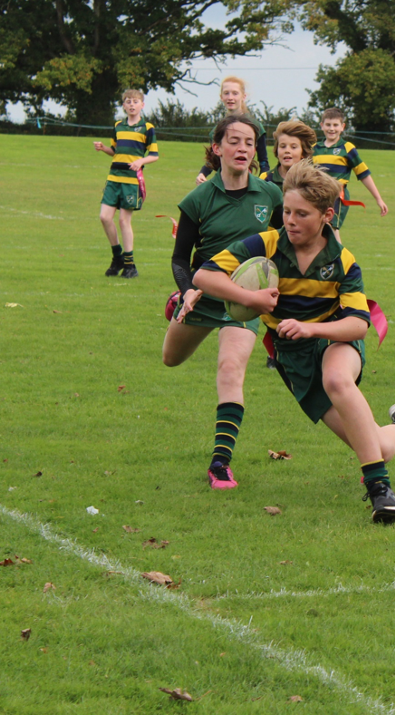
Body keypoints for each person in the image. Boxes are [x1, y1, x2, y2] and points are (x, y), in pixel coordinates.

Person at [193, 162, 395, 523]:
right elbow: (204, 274)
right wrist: (253, 300)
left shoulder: (341, 261)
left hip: (335, 338)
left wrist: (312, 329)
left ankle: (379, 491)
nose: (290, 220)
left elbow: (357, 325)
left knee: (336, 379)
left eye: (301, 214)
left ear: (327, 215)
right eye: (286, 211)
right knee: (377, 446)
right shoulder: (266, 244)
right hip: (295, 359)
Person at [162, 115, 284, 489]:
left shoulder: (270, 196)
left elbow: (284, 247)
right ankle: (175, 305)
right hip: (204, 294)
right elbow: (181, 258)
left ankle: (220, 463)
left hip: (245, 300)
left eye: (249, 142)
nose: (242, 148)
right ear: (217, 149)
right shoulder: (198, 199)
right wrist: (186, 291)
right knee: (171, 358)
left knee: (230, 369)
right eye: (234, 141)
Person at [256, 119, 318, 370]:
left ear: (303, 151)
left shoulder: (314, 179)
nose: (287, 151)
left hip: (304, 248)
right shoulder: (264, 178)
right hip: (273, 249)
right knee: (270, 300)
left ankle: (301, 347)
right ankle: (275, 352)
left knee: (299, 298)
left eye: (293, 146)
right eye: (282, 146)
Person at [93, 89, 158, 278]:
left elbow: (154, 155)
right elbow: (115, 150)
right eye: (128, 101)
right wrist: (104, 148)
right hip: (114, 178)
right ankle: (117, 257)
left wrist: (140, 162)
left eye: (135, 101)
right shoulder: (118, 126)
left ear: (142, 105)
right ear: (123, 105)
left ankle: (130, 264)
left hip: (131, 181)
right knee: (105, 217)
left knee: (123, 220)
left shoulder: (147, 128)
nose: (131, 104)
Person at [311, 107, 388, 240]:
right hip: (317, 195)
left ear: (342, 127)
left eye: (335, 125)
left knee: (331, 227)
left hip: (337, 195)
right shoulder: (314, 149)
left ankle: (339, 259)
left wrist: (378, 199)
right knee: (316, 228)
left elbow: (364, 174)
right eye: (328, 125)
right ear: (322, 125)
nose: (331, 128)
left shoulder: (347, 148)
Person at [195, 76, 270, 184]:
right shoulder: (216, 131)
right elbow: (213, 160)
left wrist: (264, 181)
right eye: (226, 93)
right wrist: (202, 173)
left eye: (235, 93)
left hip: (246, 183)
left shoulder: (256, 127)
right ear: (221, 97)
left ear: (243, 97)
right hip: (222, 183)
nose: (230, 97)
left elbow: (263, 162)